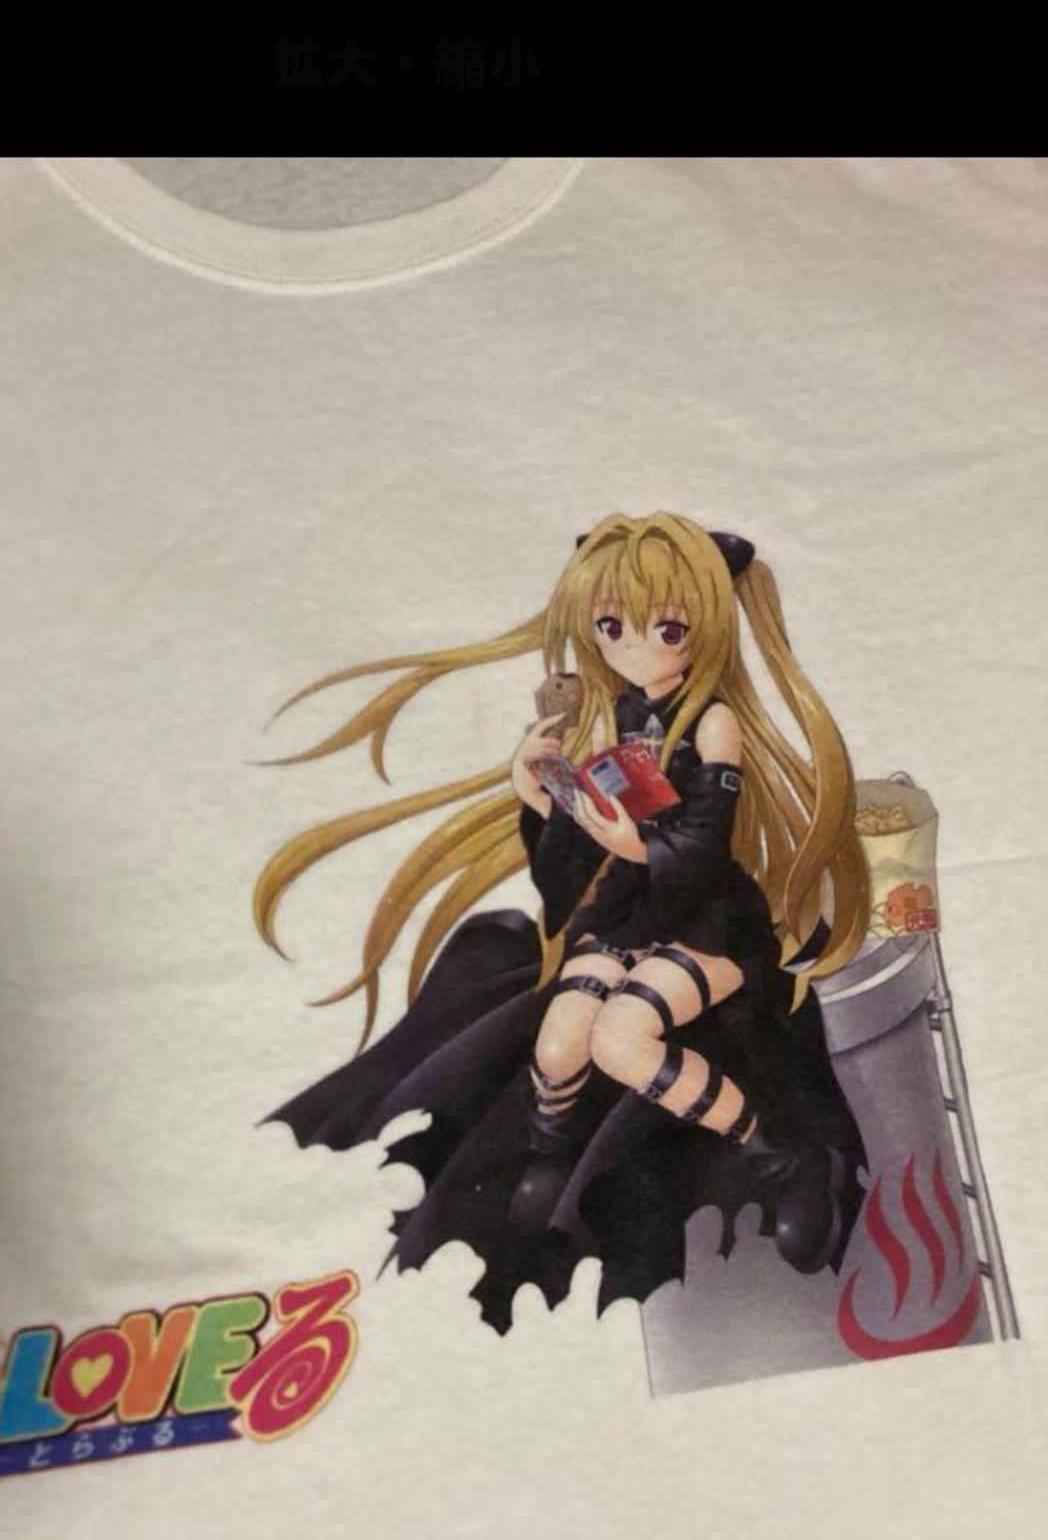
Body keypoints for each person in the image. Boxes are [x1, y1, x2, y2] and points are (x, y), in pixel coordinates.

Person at [255, 511, 871, 1333]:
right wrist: (539, 792)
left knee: (621, 1039)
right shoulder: (614, 717)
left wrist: (617, 831)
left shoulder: (714, 722)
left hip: (706, 918)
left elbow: (696, 851)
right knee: (557, 1043)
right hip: (626, 911)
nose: (633, 649)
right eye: (612, 627)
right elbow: (572, 862)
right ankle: (548, 1155)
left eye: (666, 629)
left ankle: (778, 1154)